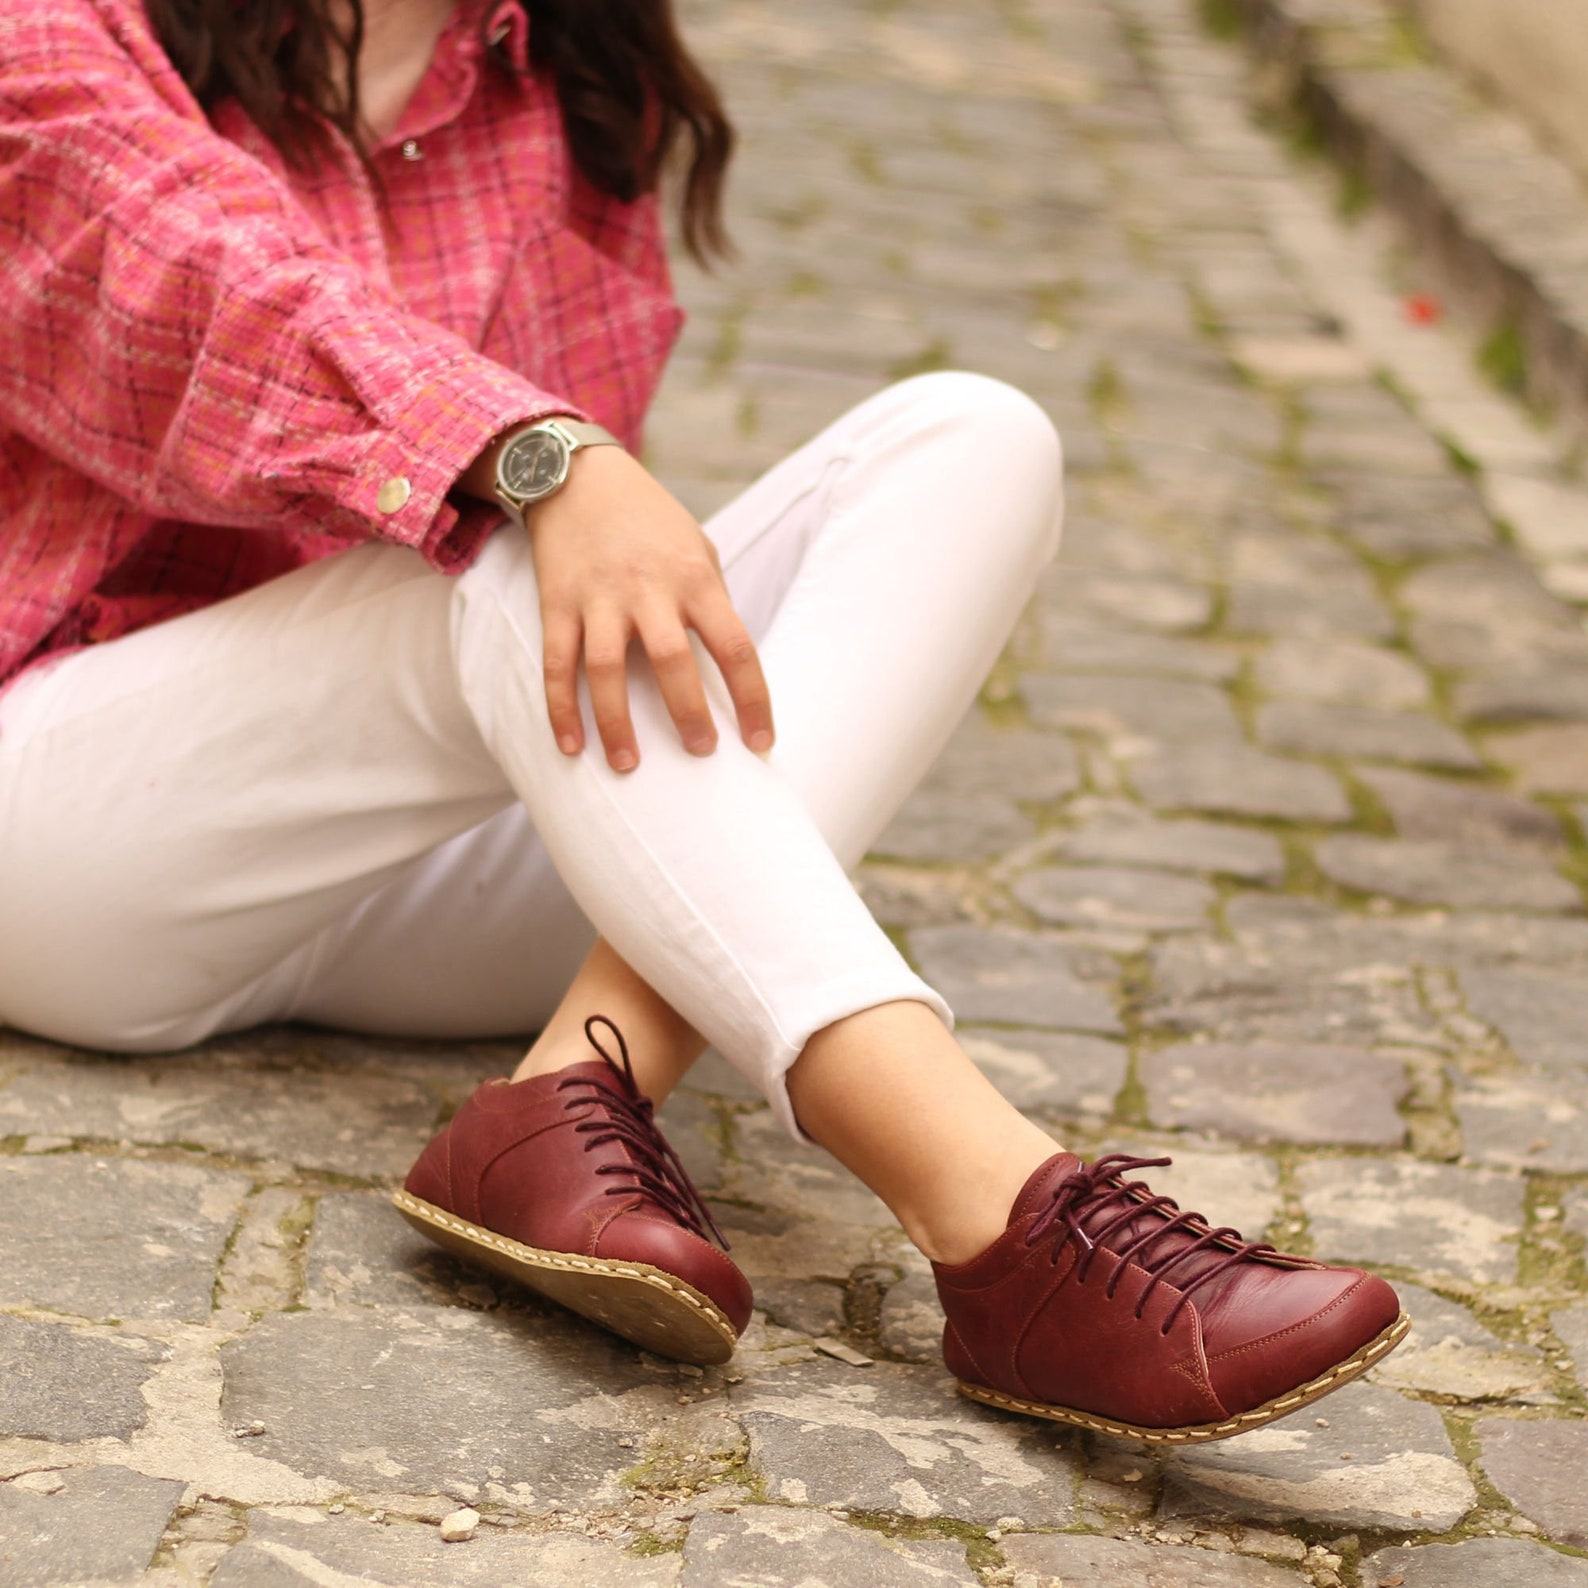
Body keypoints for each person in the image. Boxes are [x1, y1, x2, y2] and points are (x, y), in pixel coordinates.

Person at [0, 0, 1407, 1444]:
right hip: (76, 831)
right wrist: (529, 454)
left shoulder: (573, 74)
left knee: (976, 440)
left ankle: (564, 1093)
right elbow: (176, 282)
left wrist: (556, 480)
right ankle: (1003, 1220)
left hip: (415, 880)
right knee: (503, 528)